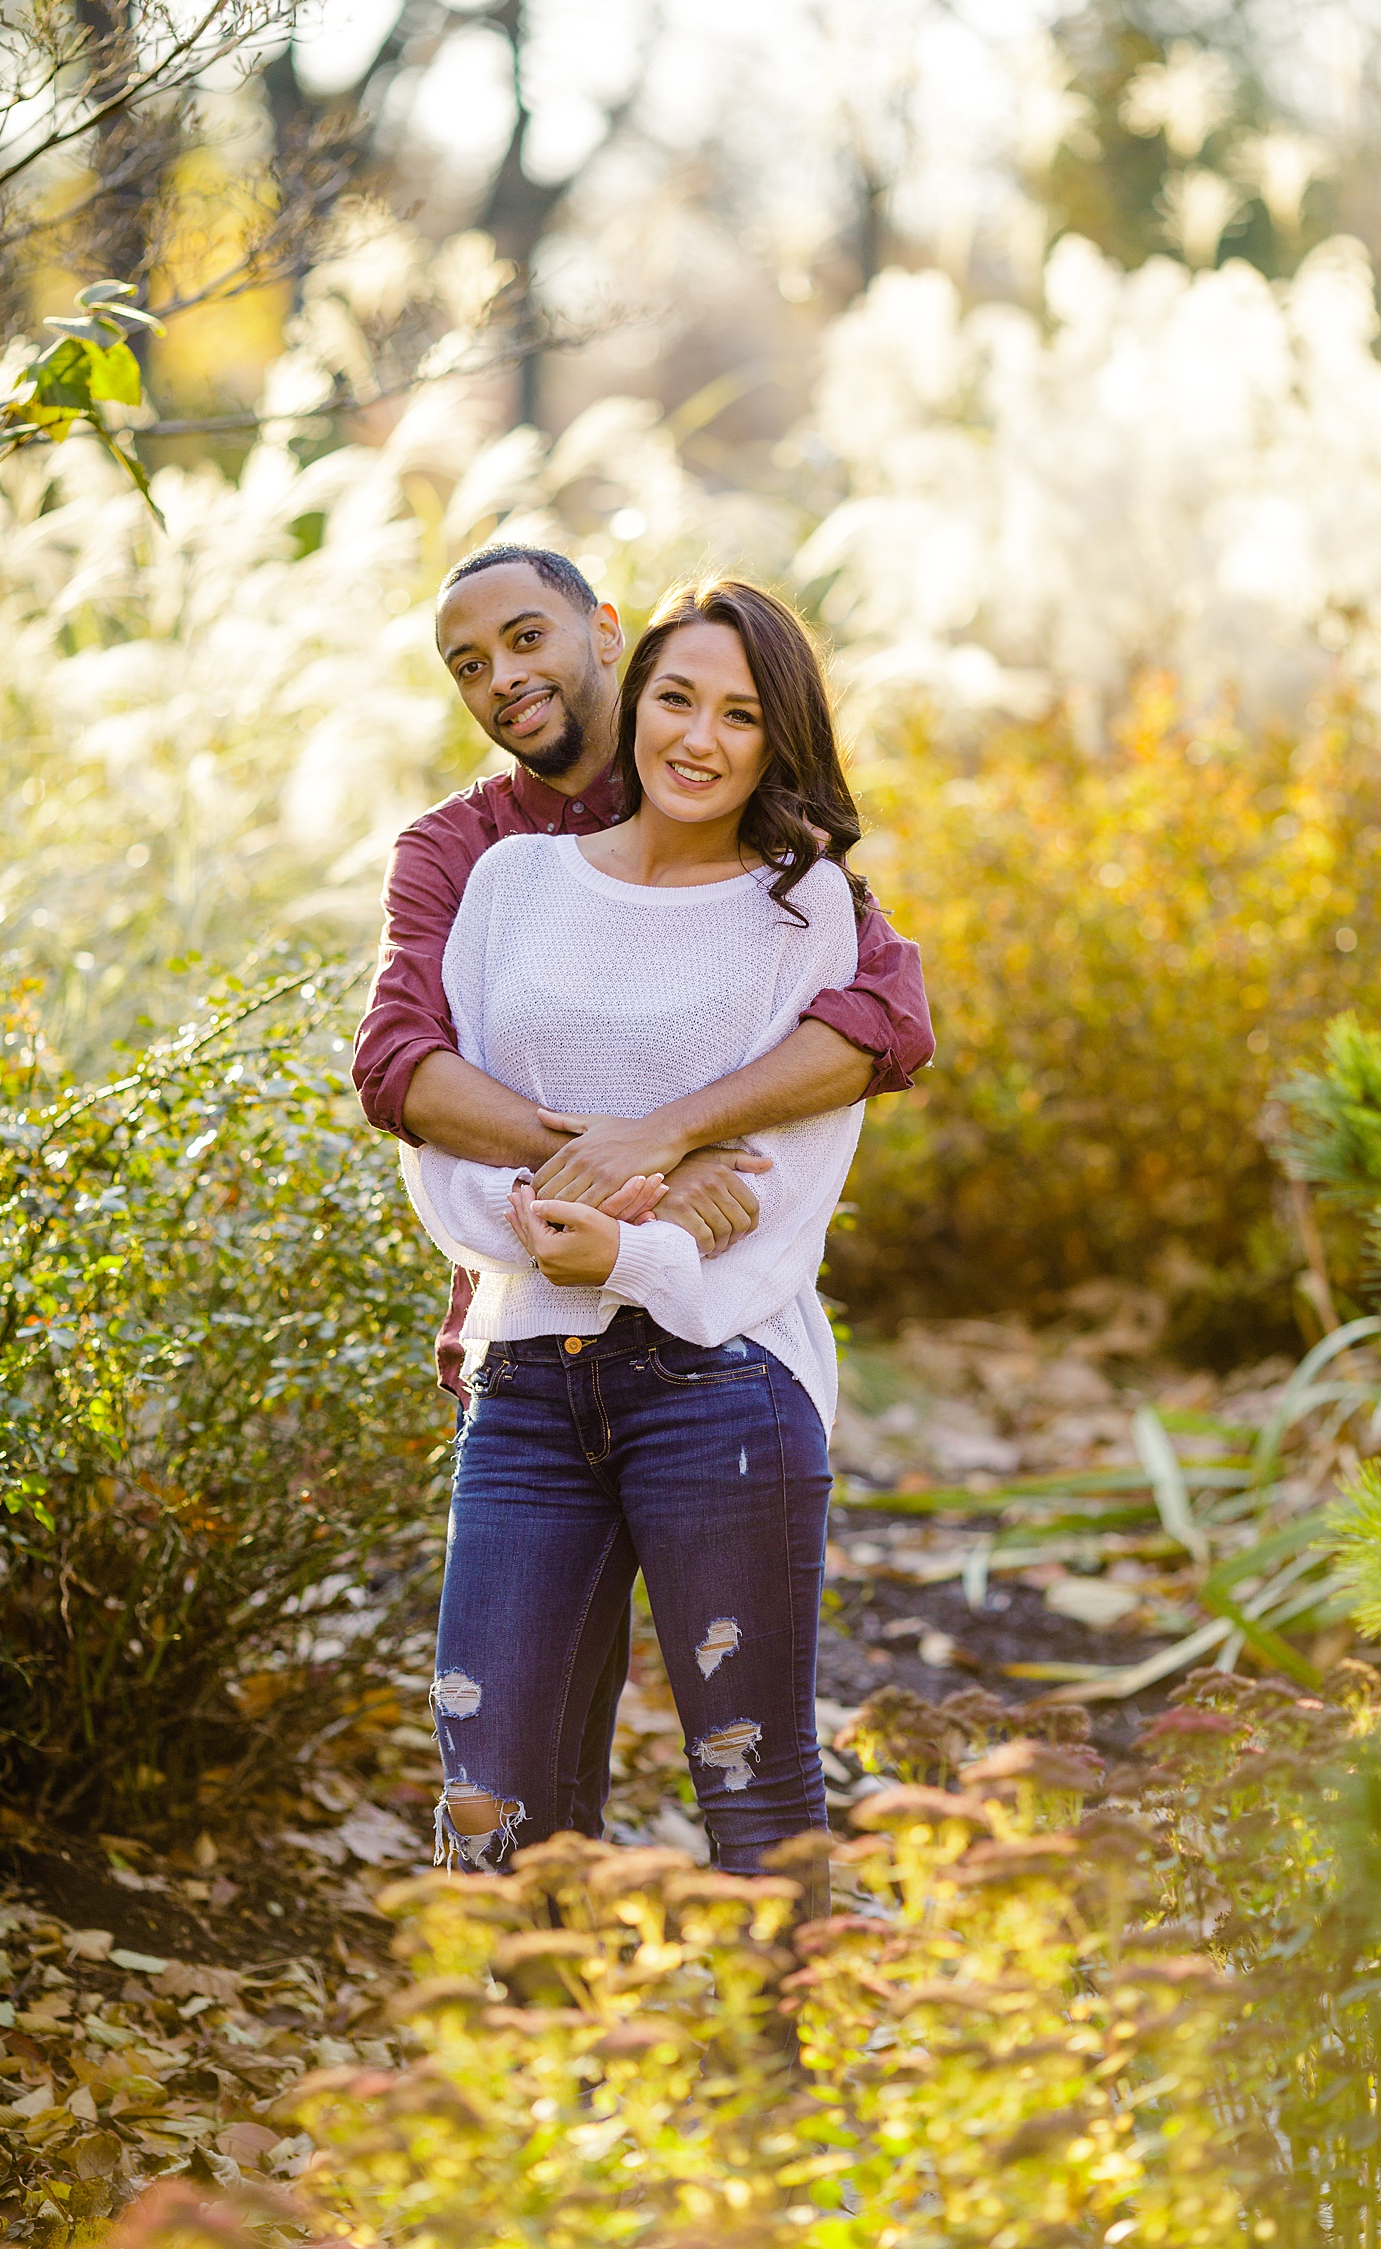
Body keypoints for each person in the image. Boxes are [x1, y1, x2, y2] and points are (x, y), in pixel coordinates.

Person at [353, 543, 934, 1847]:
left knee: (752, 1777)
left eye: (525, 638)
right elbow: (402, 1072)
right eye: (468, 664)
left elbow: (879, 1029)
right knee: (497, 1789)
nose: (505, 678)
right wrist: (624, 1165)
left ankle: (774, 2054)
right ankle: (527, 2055)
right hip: (522, 1357)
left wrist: (641, 1186)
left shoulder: (797, 898)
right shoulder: (479, 864)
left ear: (601, 636)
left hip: (714, 1369)